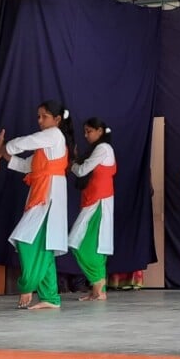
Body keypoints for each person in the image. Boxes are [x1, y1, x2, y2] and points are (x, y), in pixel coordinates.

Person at [0, 100, 75, 310]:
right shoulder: (45, 149)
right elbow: (24, 165)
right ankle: (50, 297)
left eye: (43, 116)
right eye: (38, 116)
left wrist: (5, 147)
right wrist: (4, 154)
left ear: (56, 119)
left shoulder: (54, 135)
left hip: (49, 196)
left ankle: (28, 284)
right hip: (44, 194)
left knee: (25, 240)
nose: (39, 120)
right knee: (44, 247)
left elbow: (26, 141)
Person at [68, 118, 115, 301]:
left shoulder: (103, 149)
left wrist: (71, 164)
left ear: (100, 131)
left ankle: (97, 284)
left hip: (99, 202)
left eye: (89, 131)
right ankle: (98, 290)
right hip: (95, 200)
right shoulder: (100, 149)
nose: (86, 135)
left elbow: (82, 171)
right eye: (85, 131)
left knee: (78, 242)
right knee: (95, 245)